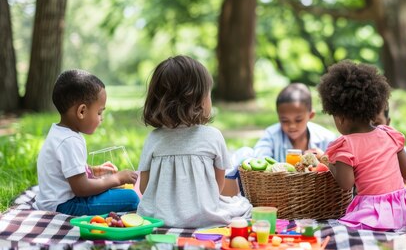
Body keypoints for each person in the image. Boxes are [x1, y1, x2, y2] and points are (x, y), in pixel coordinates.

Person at [137, 55, 252, 228]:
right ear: (198, 100)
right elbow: (217, 185)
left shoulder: (153, 138)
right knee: (243, 204)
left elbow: (145, 188)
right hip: (204, 215)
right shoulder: (213, 136)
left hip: (158, 216)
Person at [318, 60, 406, 231]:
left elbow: (346, 184)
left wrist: (329, 164)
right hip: (402, 208)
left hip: (372, 212)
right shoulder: (390, 134)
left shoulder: (345, 145)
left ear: (340, 117)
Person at [36, 70, 139, 215]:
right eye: (99, 112)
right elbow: (81, 189)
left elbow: (66, 168)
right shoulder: (70, 141)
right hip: (65, 205)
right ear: (82, 111)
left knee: (114, 191)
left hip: (52, 201)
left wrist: (92, 170)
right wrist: (117, 178)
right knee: (131, 198)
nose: (101, 118)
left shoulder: (59, 132)